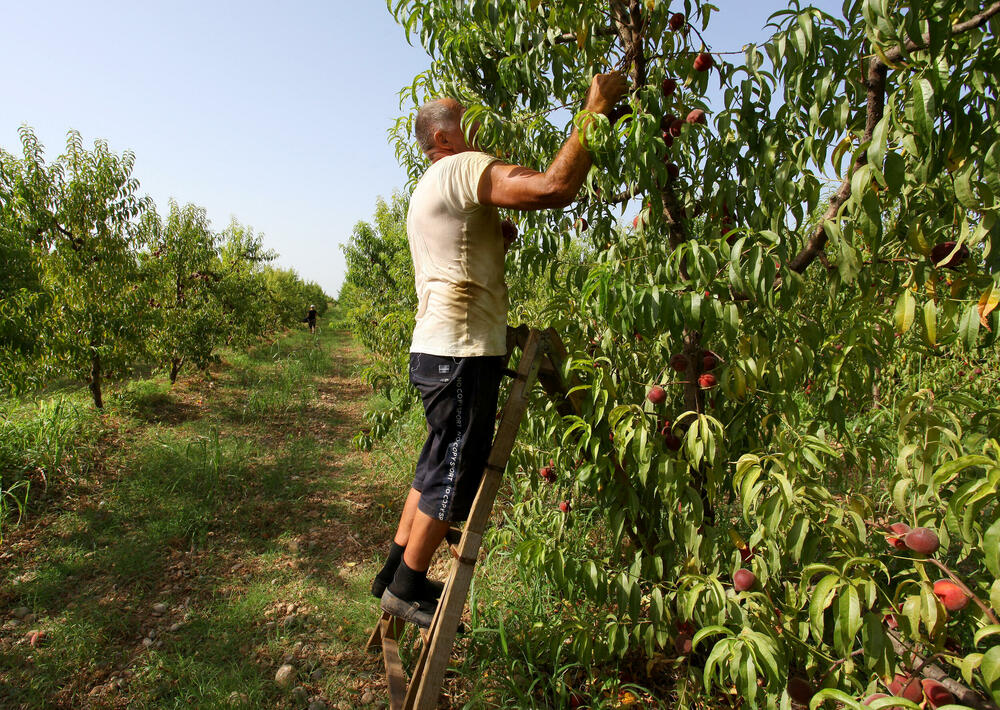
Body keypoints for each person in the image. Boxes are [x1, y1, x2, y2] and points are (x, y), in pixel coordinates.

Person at [373, 72, 628, 628]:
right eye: (466, 120)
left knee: (436, 459)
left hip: (436, 348)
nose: (478, 128)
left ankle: (394, 569)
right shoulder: (461, 167)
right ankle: (407, 586)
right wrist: (596, 108)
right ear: (442, 138)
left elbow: (457, 252)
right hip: (463, 351)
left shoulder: (427, 188)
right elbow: (554, 188)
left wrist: (493, 237)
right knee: (457, 466)